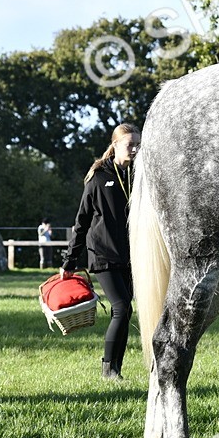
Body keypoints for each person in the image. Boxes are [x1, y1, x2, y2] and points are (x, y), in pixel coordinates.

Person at [62, 123, 141, 381]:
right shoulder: (98, 178)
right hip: (103, 254)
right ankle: (108, 368)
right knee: (120, 307)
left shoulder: (137, 176)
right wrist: (70, 261)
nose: (135, 149)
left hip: (128, 256)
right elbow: (82, 221)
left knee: (126, 311)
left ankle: (116, 367)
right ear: (115, 145)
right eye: (130, 144)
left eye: (138, 144)